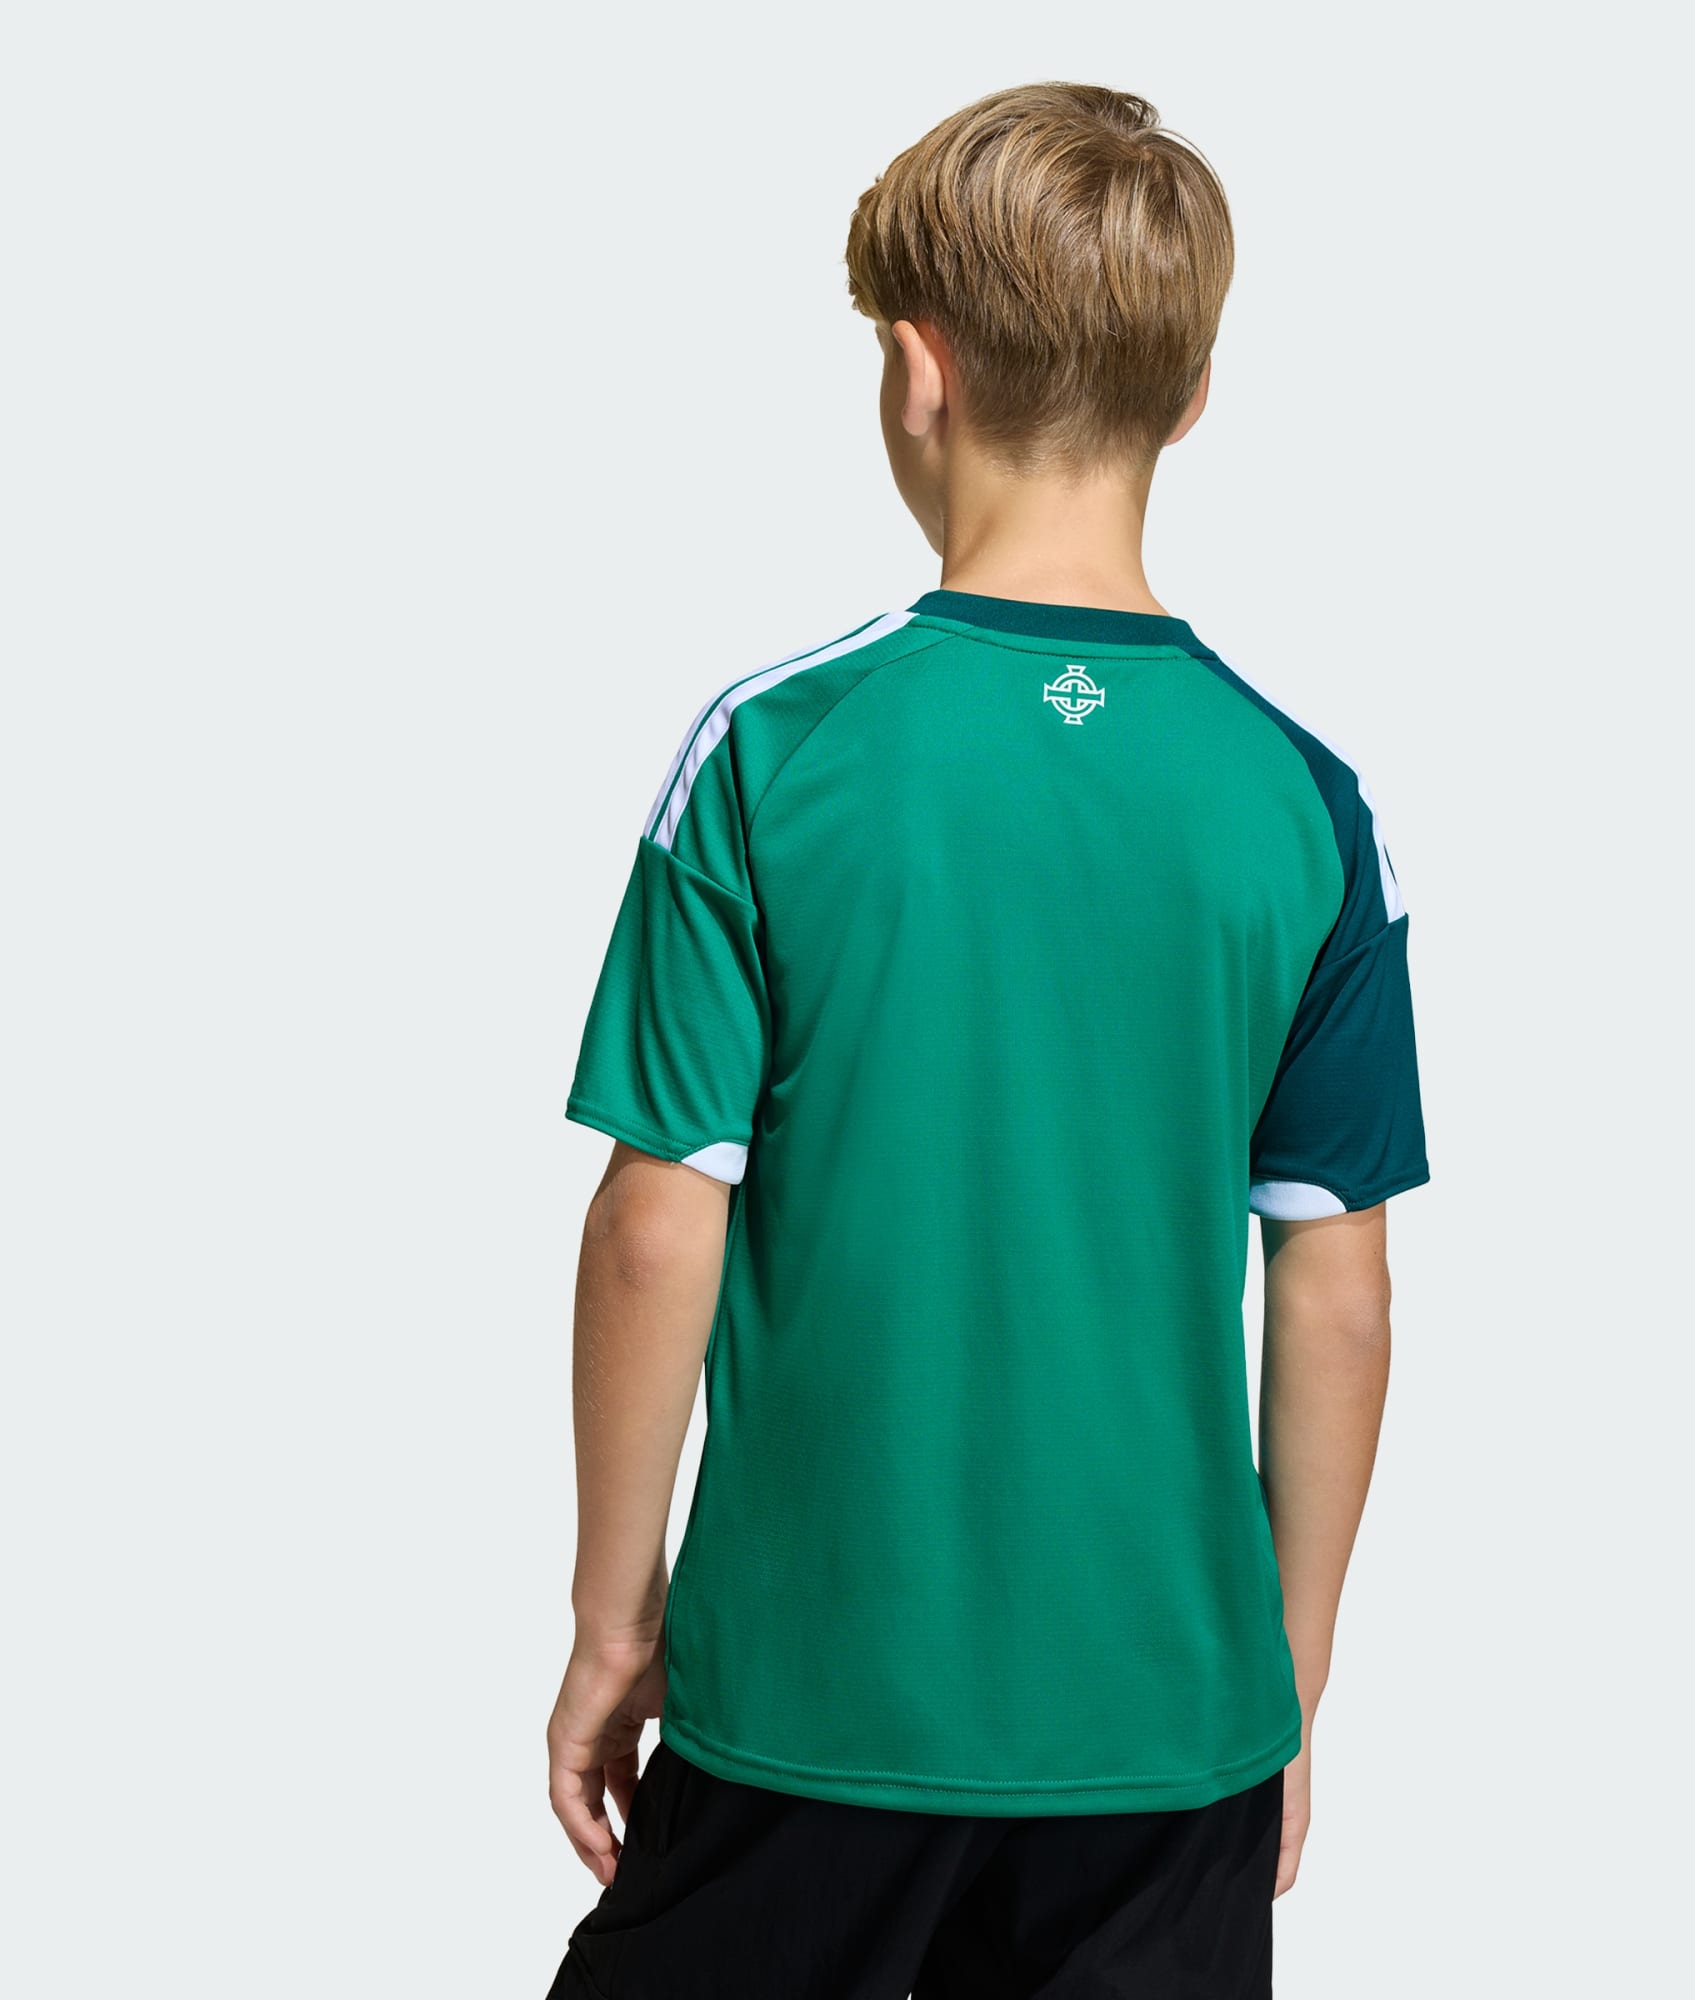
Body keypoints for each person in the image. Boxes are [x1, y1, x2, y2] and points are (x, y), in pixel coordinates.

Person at [544, 81, 1429, 2000]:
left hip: (809, 1709)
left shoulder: (773, 757)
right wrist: (1281, 1682)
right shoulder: (1304, 803)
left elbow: (653, 1225)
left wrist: (616, 1624)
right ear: (1191, 399)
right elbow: (1337, 1283)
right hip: (1166, 1728)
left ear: (915, 371)